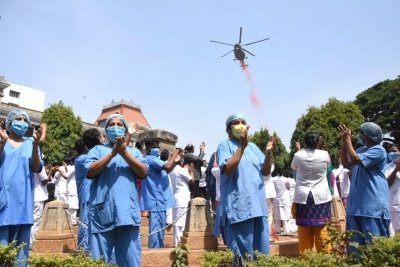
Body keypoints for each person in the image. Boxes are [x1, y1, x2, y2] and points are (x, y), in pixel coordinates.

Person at [84, 113, 148, 266]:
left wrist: (124, 152)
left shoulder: (134, 152)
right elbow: (90, 171)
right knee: (99, 260)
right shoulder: (97, 150)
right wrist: (112, 154)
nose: (115, 127)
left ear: (125, 130)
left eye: (120, 125)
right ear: (106, 130)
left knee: (130, 259)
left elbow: (143, 172)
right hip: (102, 213)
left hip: (127, 214)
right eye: (112, 125)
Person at [216, 113, 274, 260]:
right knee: (242, 257)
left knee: (262, 255)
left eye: (243, 122)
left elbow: (266, 171)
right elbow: (227, 169)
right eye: (236, 122)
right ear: (228, 130)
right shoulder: (225, 145)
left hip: (258, 207)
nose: (241, 125)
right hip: (239, 209)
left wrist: (268, 153)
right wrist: (242, 147)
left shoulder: (253, 147)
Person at [0, 108, 46, 267]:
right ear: (9, 122)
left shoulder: (30, 144)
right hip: (3, 202)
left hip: (23, 203)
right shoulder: (2, 142)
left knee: (21, 253)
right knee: (2, 249)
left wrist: (35, 146)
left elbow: (36, 168)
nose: (22, 123)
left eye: (25, 120)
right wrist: (3, 141)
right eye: (18, 119)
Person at [338, 122, 390, 251]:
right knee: (355, 250)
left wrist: (348, 140)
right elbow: (345, 161)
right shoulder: (361, 150)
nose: (359, 135)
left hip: (373, 209)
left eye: (361, 133)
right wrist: (345, 143)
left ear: (366, 135)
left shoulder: (379, 150)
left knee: (375, 248)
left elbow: (355, 160)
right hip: (356, 208)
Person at [291, 132, 332, 255]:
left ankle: (306, 259)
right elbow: (328, 166)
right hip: (321, 196)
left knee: (304, 230)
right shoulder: (324, 154)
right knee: (322, 229)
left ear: (304, 143)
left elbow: (294, 167)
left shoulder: (298, 155)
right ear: (317, 142)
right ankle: (325, 259)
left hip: (303, 197)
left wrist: (299, 151)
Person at [140, 139, 178, 248]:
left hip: (159, 199)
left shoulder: (154, 160)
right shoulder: (151, 159)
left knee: (160, 229)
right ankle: (154, 250)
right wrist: (174, 154)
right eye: (155, 147)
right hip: (156, 199)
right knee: (156, 230)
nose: (157, 149)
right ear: (148, 149)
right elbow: (167, 167)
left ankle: (158, 247)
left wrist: (175, 161)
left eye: (158, 147)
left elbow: (167, 169)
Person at [169, 148, 194, 246]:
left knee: (177, 225)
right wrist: (190, 171)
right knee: (181, 225)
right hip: (182, 200)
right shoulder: (180, 170)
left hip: (176, 199)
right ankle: (179, 245)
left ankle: (177, 244)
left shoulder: (171, 170)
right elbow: (192, 183)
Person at [30, 166, 49, 248]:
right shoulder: (39, 165)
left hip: (30, 196)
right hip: (38, 195)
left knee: (30, 220)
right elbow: (44, 180)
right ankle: (32, 243)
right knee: (36, 220)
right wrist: (49, 172)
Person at [384, 143, 400, 235]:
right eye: (389, 152)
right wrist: (396, 169)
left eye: (394, 151)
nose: (392, 154)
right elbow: (387, 184)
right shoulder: (386, 167)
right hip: (394, 207)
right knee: (396, 234)